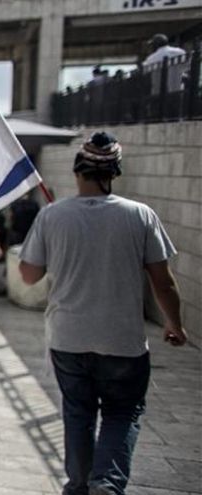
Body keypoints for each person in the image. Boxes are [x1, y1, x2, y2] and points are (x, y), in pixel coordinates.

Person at [19, 132, 188, 495]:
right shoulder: (140, 215)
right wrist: (174, 324)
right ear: (114, 173)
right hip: (122, 341)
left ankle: (79, 485)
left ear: (78, 171)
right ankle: (107, 485)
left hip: (68, 338)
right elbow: (164, 282)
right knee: (121, 413)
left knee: (78, 414)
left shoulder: (53, 215)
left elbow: (29, 275)